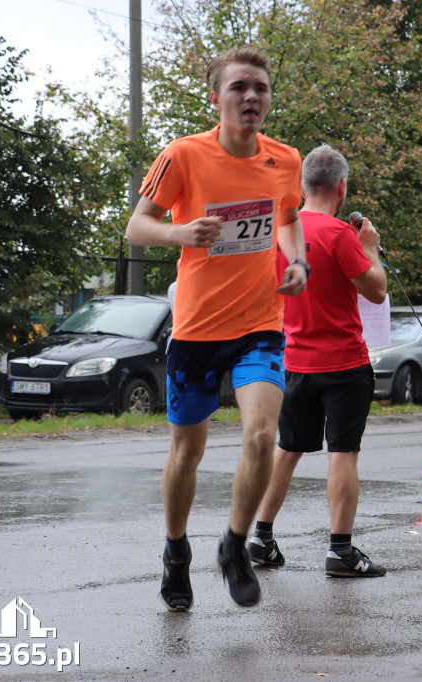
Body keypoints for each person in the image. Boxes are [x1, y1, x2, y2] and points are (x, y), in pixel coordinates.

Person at [126, 47, 308, 611]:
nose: (251, 97)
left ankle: (234, 544)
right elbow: (138, 226)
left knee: (260, 436)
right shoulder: (183, 156)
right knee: (188, 451)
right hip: (198, 330)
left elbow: (288, 218)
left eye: (261, 87)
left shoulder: (286, 160)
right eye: (239, 88)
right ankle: (176, 550)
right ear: (217, 98)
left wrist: (297, 262)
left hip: (259, 324)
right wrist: (180, 235)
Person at [247, 145, 388, 577]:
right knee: (342, 453)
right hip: (343, 362)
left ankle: (261, 537)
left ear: (303, 185)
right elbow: (377, 290)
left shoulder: (277, 233)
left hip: (292, 362)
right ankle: (340, 551)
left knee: (287, 450)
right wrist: (372, 248)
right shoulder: (339, 234)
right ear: (341, 187)